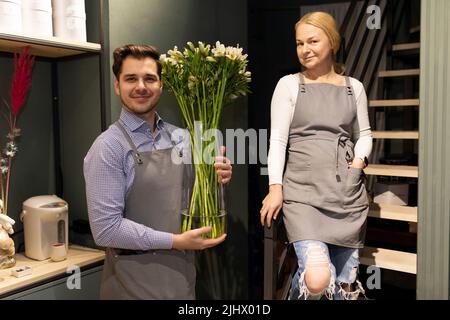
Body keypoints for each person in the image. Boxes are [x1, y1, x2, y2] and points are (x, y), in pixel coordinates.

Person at [84, 44, 232, 300]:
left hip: (182, 282)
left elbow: (194, 196)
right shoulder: (108, 147)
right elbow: (106, 230)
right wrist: (175, 241)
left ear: (161, 85)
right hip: (131, 286)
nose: (141, 86)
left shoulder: (182, 137)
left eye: (149, 78)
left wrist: (219, 176)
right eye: (131, 78)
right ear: (117, 85)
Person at [260, 12, 373, 300]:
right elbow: (278, 141)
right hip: (303, 194)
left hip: (346, 195)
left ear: (332, 42)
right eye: (299, 43)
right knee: (318, 278)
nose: (304, 49)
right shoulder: (288, 85)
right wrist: (275, 187)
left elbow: (365, 135)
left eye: (313, 41)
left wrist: (358, 164)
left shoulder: (354, 87)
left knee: (345, 287)